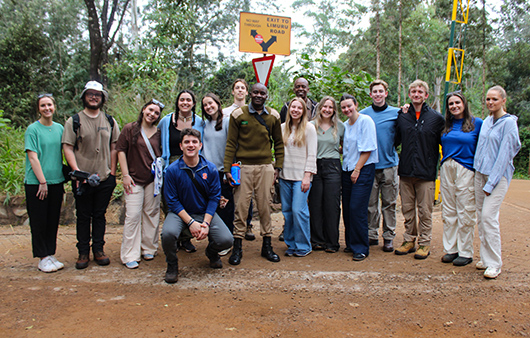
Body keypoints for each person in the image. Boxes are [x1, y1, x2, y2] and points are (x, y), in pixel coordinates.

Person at [161, 128, 233, 283]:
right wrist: (191, 223)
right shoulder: (172, 170)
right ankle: (172, 264)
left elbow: (214, 198)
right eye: (187, 142)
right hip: (180, 213)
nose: (191, 145)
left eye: (194, 142)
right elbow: (172, 201)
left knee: (227, 239)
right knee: (168, 233)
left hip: (203, 211)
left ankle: (212, 252)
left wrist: (206, 223)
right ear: (181, 146)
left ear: (200, 145)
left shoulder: (210, 169)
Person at [224, 82, 284, 265]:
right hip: (243, 168)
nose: (259, 95)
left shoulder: (273, 116)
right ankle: (237, 247)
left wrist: (277, 167)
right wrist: (227, 169)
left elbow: (279, 143)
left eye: (262, 93)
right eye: (256, 92)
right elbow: (231, 143)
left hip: (265, 167)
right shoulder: (238, 115)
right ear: (250, 94)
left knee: (265, 206)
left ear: (267, 96)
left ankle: (267, 245)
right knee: (241, 207)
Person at [63, 81, 120, 269]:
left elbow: (115, 147)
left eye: (98, 94)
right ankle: (82, 252)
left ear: (102, 98)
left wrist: (112, 172)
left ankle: (98, 249)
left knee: (99, 215)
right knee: (83, 215)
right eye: (90, 94)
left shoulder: (110, 121)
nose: (94, 97)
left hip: (104, 177)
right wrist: (79, 172)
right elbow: (68, 147)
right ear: (84, 97)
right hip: (82, 180)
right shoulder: (74, 121)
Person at [474, 86, 520, 279]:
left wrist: (490, 184)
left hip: (497, 178)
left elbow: (505, 155)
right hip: (480, 174)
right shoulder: (486, 122)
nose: (490, 102)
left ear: (503, 100)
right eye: (488, 99)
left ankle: (495, 263)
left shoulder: (508, 124)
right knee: (480, 218)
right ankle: (485, 258)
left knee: (488, 217)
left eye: (494, 99)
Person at [394, 79, 444, 259]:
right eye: (413, 91)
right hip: (406, 171)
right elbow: (395, 140)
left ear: (426, 96)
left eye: (420, 92)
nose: (417, 94)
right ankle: (409, 240)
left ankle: (424, 243)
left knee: (425, 211)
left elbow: (444, 143)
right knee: (407, 209)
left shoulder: (436, 119)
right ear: (409, 94)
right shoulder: (403, 115)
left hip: (426, 173)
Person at [117, 99, 164, 269]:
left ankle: (149, 248)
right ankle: (130, 253)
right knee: (133, 215)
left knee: (151, 213)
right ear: (144, 109)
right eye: (150, 110)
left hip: (153, 180)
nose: (152, 114)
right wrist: (125, 175)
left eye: (156, 113)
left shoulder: (159, 132)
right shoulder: (130, 129)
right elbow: (120, 151)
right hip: (134, 179)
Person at [158, 90, 205, 253]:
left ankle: (185, 239)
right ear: (177, 102)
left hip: (192, 164)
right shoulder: (166, 121)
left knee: (188, 200)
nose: (185, 102)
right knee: (170, 201)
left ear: (193, 103)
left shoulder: (199, 121)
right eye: (182, 99)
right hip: (171, 165)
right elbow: (157, 138)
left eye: (188, 100)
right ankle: (174, 236)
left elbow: (202, 143)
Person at [440, 92, 483, 267]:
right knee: (448, 210)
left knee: (465, 210)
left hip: (466, 168)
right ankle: (451, 249)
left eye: (457, 102)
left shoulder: (477, 123)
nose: (454, 106)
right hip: (446, 166)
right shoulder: (446, 125)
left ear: (464, 103)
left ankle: (466, 252)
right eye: (451, 104)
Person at [25, 94, 65, 272]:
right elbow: (33, 157)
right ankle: (42, 257)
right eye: (43, 105)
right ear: (38, 109)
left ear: (54, 106)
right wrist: (42, 181)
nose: (47, 108)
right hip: (37, 183)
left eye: (49, 105)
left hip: (56, 181)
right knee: (39, 221)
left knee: (52, 219)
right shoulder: (32, 130)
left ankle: (50, 253)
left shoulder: (59, 128)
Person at [360, 80, 400, 252]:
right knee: (370, 203)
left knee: (389, 203)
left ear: (386, 93)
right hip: (369, 166)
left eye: (380, 91)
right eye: (374, 91)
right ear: (370, 95)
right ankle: (371, 234)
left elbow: (401, 135)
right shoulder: (363, 115)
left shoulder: (397, 113)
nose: (377, 94)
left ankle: (389, 237)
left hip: (389, 165)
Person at [340, 94, 378, 261]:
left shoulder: (366, 121)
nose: (347, 109)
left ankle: (361, 247)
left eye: (349, 106)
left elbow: (368, 148)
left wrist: (357, 170)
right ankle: (350, 243)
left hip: (362, 169)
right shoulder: (345, 125)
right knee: (347, 208)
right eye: (343, 107)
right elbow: (345, 148)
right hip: (347, 168)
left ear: (356, 104)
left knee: (357, 207)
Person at [280, 98, 317, 257]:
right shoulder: (282, 128)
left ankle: (303, 245)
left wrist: (307, 175)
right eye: (293, 107)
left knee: (298, 210)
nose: (295, 110)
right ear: (289, 110)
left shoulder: (309, 128)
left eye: (299, 108)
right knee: (287, 211)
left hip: (301, 177)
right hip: (284, 176)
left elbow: (312, 153)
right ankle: (291, 243)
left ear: (304, 111)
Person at [308, 96, 344, 253]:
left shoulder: (340, 126)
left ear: (334, 110)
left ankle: (332, 242)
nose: (327, 110)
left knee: (332, 205)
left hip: (333, 167)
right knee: (315, 204)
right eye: (325, 107)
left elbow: (347, 146)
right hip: (314, 165)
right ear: (320, 108)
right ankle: (317, 240)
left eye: (331, 107)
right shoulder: (310, 126)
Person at [222, 79, 256, 241]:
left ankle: (247, 224)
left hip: (245, 157)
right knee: (229, 191)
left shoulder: (252, 110)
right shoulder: (224, 112)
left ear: (247, 92)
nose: (240, 90)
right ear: (233, 92)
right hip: (229, 155)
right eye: (237, 88)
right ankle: (229, 226)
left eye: (243, 88)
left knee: (246, 192)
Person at [201, 93, 233, 255]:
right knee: (211, 207)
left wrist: (229, 170)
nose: (208, 107)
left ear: (218, 103)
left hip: (224, 172)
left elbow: (232, 146)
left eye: (211, 103)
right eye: (205, 105)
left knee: (225, 206)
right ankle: (214, 240)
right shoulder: (203, 125)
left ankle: (226, 241)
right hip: (208, 173)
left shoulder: (227, 122)